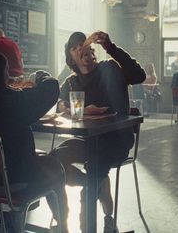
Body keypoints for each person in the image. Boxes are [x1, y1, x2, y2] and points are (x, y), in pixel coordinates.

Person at [0, 51, 69, 232]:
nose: (8, 75)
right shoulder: (6, 102)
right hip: (6, 180)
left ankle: (18, 214)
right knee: (55, 167)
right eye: (6, 70)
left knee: (41, 161)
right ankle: (61, 226)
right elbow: (49, 92)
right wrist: (42, 76)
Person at [50, 31, 146, 233]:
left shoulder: (109, 68)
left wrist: (111, 47)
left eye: (83, 45)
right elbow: (59, 103)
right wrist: (73, 108)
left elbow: (139, 76)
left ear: (91, 50)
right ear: (71, 56)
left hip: (116, 139)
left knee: (89, 190)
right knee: (52, 163)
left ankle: (100, 216)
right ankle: (62, 222)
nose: (80, 49)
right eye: (75, 48)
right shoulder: (71, 82)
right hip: (86, 140)